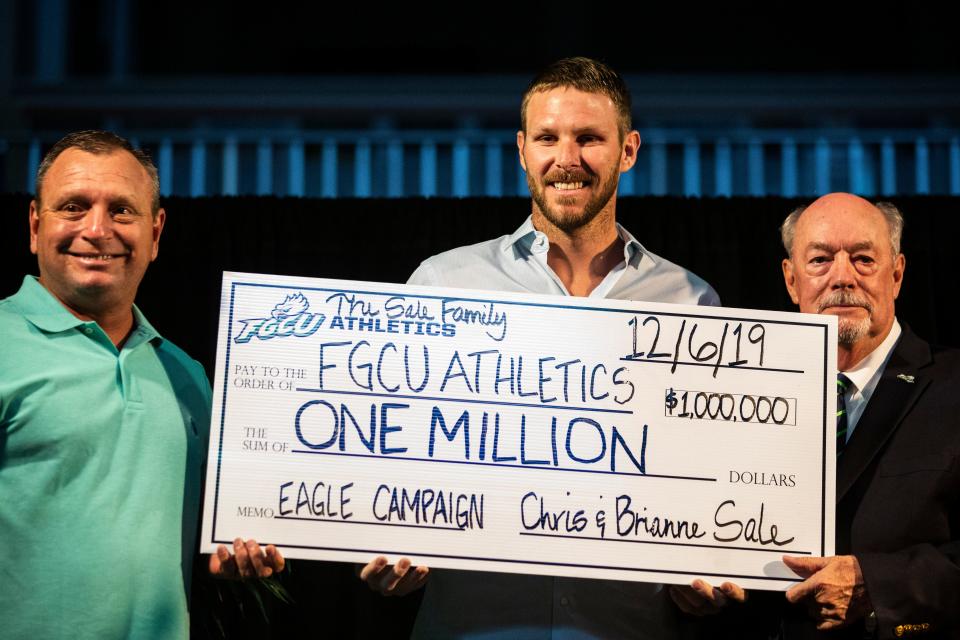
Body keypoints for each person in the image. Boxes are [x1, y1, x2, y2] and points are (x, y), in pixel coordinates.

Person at [360, 57, 719, 638]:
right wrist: (384, 542)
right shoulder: (442, 284)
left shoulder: (690, 300)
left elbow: (711, 471)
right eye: (548, 138)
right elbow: (393, 453)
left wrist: (711, 568)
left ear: (628, 151)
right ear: (522, 150)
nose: (567, 159)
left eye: (589, 139)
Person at [0, 130, 282, 639]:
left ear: (155, 233)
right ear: (35, 226)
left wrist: (229, 559)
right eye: (73, 206)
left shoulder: (188, 376)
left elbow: (204, 545)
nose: (97, 229)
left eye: (122, 211)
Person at [671, 193, 960, 639]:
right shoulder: (734, 397)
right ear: (791, 280)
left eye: (864, 259)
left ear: (897, 274)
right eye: (820, 260)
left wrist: (875, 586)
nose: (842, 278)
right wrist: (696, 584)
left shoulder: (952, 386)